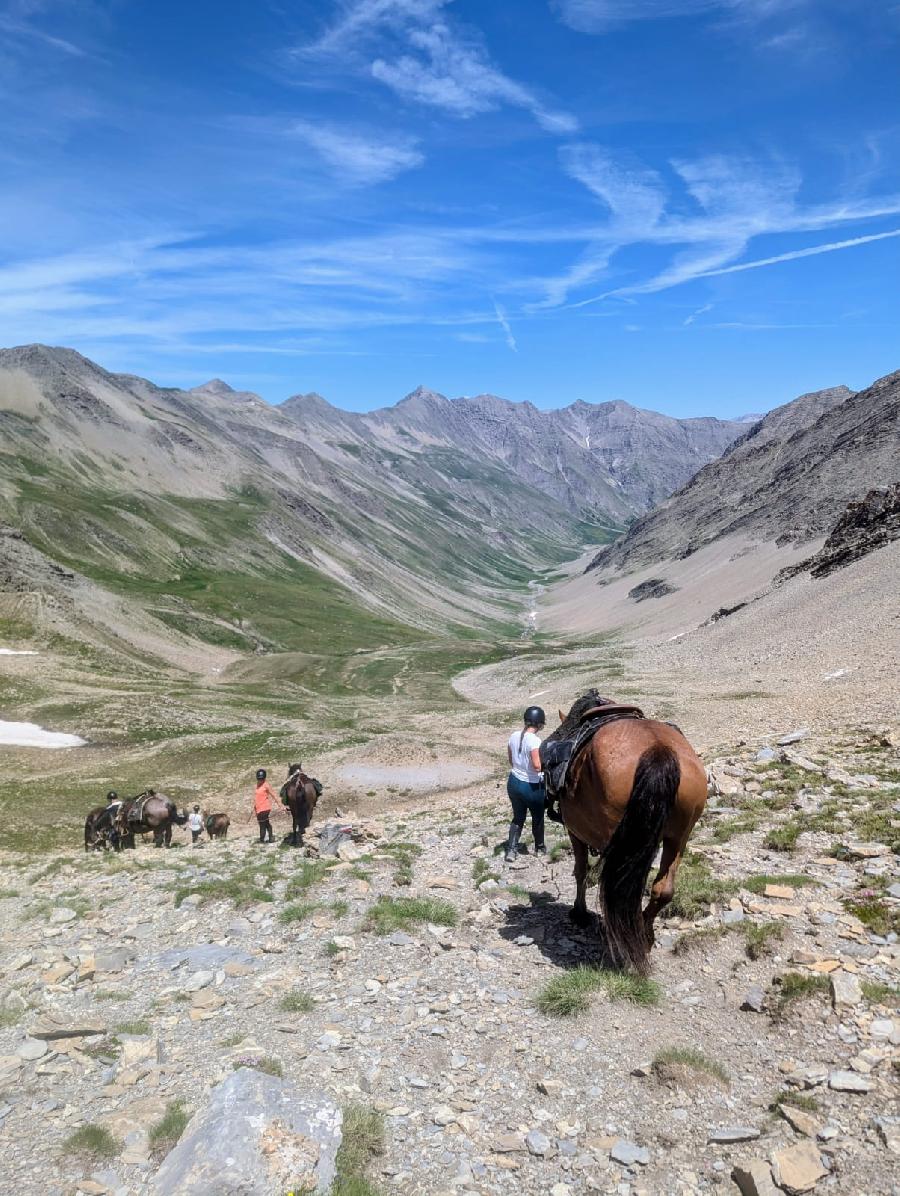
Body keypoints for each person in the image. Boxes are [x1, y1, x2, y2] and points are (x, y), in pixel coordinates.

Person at [505, 706, 547, 862]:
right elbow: (537, 766)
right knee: (537, 817)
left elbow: (511, 760)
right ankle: (540, 848)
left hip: (513, 781)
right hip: (530, 786)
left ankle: (511, 850)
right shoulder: (535, 741)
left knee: (518, 817)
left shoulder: (514, 735)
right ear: (539, 724)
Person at [251, 768, 280, 844]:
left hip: (265, 808)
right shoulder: (257, 785)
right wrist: (254, 807)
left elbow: (274, 795)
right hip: (258, 808)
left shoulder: (266, 785)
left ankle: (261, 840)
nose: (260, 780)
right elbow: (257, 797)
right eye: (259, 779)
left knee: (262, 824)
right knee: (266, 823)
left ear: (264, 778)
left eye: (262, 779)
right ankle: (271, 837)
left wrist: (280, 805)